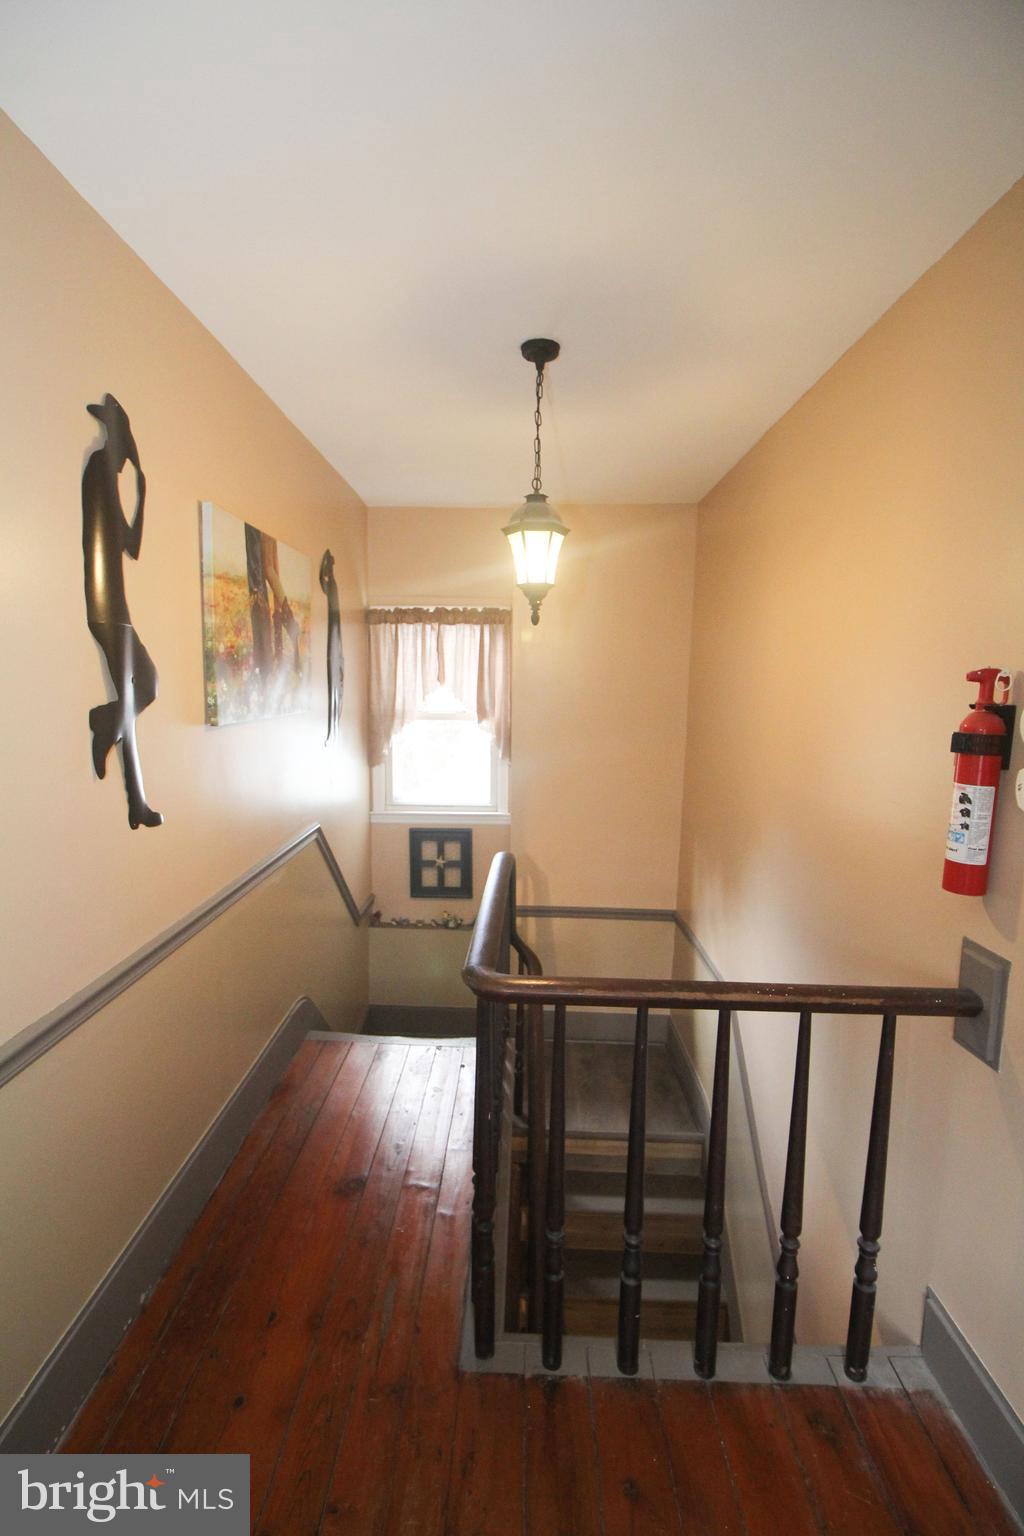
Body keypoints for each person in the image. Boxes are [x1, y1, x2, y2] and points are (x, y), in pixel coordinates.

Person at [82, 394, 162, 829]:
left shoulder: (109, 477)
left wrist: (143, 493)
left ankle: (107, 721)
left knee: (146, 685)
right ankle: (137, 801)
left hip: (118, 607)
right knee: (141, 689)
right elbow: (121, 538)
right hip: (105, 608)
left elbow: (132, 545)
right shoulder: (98, 469)